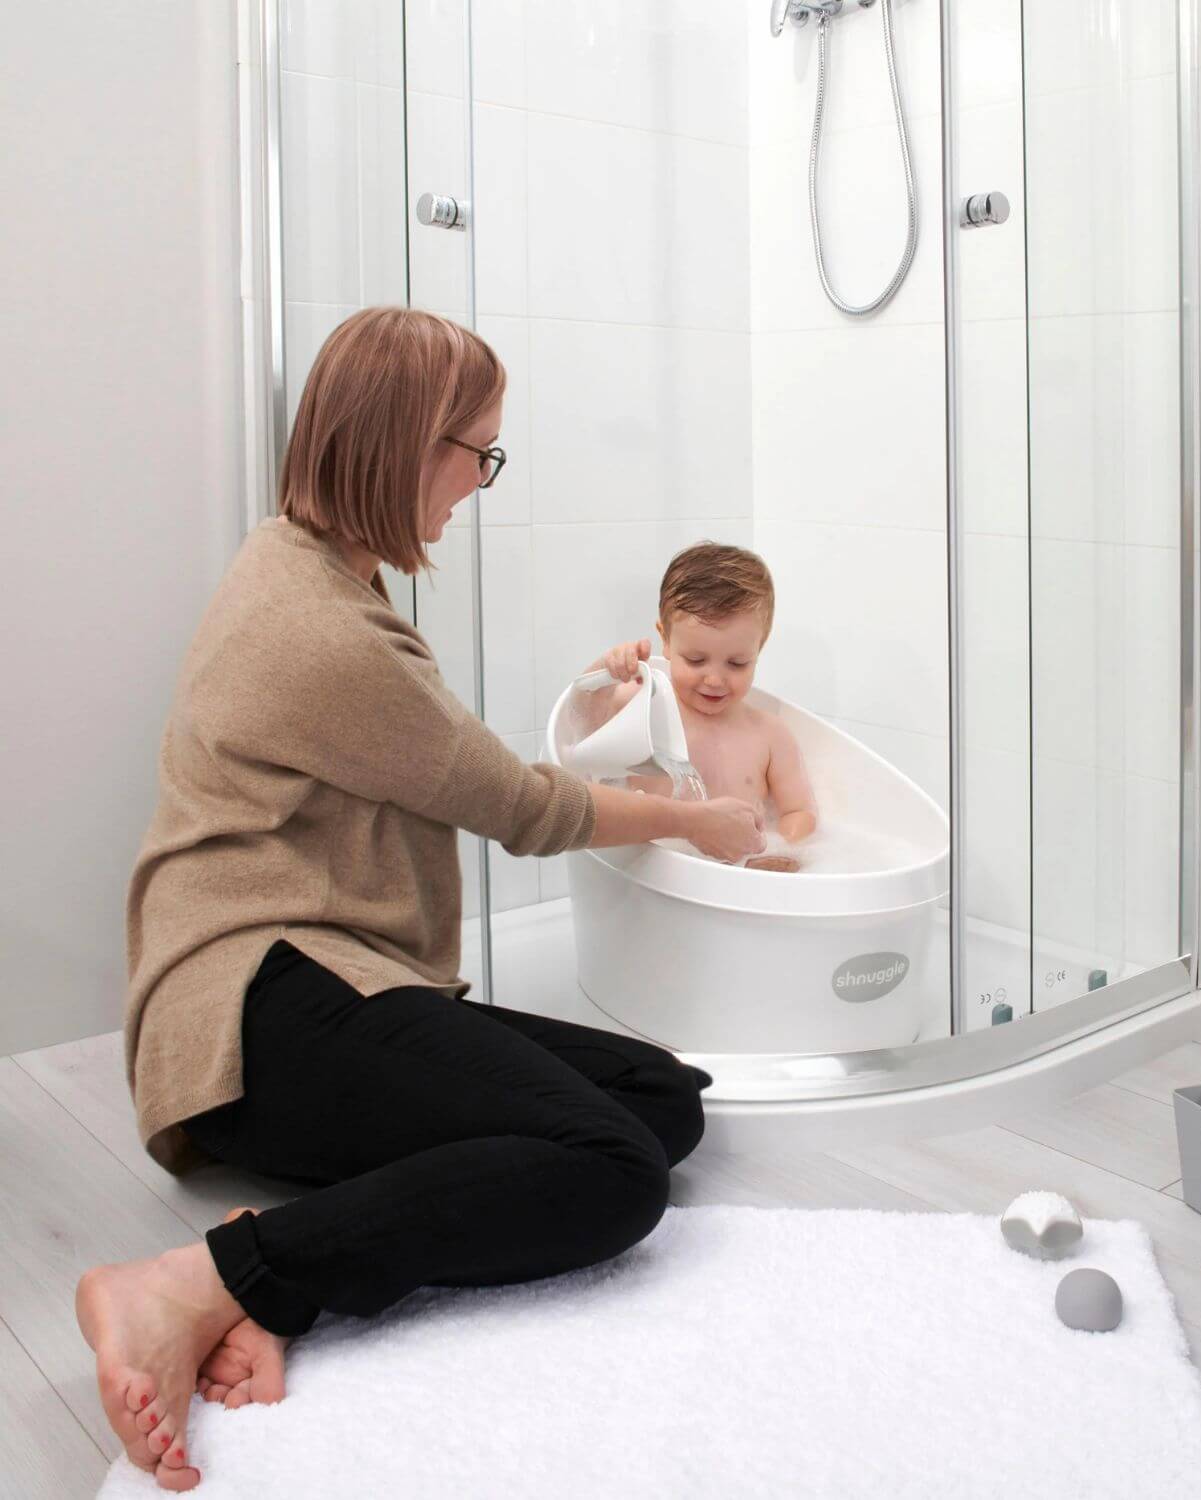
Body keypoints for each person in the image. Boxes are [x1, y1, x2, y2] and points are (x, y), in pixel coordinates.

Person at [75, 307, 766, 1492]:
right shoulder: (323, 634)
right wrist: (703, 821)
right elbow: (523, 808)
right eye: (478, 452)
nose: (480, 483)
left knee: (662, 1102)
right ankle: (198, 1282)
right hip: (255, 1009)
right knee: (614, 1172)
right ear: (406, 445)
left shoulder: (305, 566)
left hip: (325, 979)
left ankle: (284, 1261)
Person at [584, 542, 817, 872]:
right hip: (649, 873)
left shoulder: (770, 735)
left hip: (740, 878)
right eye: (695, 660)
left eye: (737, 663)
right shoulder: (639, 706)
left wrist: (780, 852)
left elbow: (799, 812)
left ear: (760, 646)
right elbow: (579, 726)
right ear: (665, 640)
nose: (715, 679)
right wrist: (607, 671)